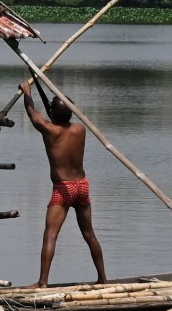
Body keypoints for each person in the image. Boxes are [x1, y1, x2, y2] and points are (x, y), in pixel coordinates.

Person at [20, 80, 107, 288]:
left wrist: (27, 91)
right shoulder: (80, 129)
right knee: (89, 234)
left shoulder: (50, 130)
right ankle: (103, 279)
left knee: (50, 234)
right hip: (82, 185)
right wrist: (55, 110)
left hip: (64, 188)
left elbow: (32, 114)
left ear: (53, 114)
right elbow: (57, 117)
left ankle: (42, 282)